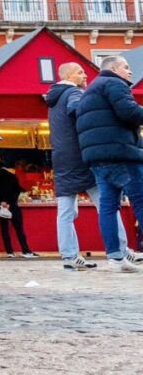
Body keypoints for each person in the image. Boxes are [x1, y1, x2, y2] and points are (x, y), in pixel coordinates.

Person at [46, 61, 134, 270]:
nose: (85, 76)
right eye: (81, 72)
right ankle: (122, 250)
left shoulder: (52, 98)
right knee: (107, 204)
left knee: (66, 212)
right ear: (69, 75)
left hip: (62, 159)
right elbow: (79, 111)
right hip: (82, 158)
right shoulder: (74, 93)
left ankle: (69, 256)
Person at [77, 55, 143, 273]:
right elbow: (129, 112)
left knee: (107, 207)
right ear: (113, 68)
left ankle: (115, 258)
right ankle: (118, 257)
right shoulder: (114, 84)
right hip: (121, 153)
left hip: (97, 158)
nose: (130, 72)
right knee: (140, 201)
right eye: (126, 67)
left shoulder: (89, 92)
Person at [0, 161, 38, 258]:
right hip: (13, 207)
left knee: (4, 229)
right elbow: (16, 190)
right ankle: (25, 250)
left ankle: (10, 252)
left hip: (0, 207)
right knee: (19, 229)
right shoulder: (12, 176)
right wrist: (9, 203)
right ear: (5, 167)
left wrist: (0, 202)